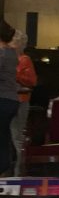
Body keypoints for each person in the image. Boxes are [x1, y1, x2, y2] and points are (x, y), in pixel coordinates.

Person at [9, 29, 36, 168]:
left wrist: (13, 73)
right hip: (6, 100)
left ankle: (20, 170)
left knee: (17, 136)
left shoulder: (24, 60)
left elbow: (32, 81)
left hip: (19, 101)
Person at [0, 22, 20, 176]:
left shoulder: (2, 53)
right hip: (11, 99)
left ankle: (4, 165)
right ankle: (6, 165)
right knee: (4, 134)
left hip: (2, 98)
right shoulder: (11, 52)